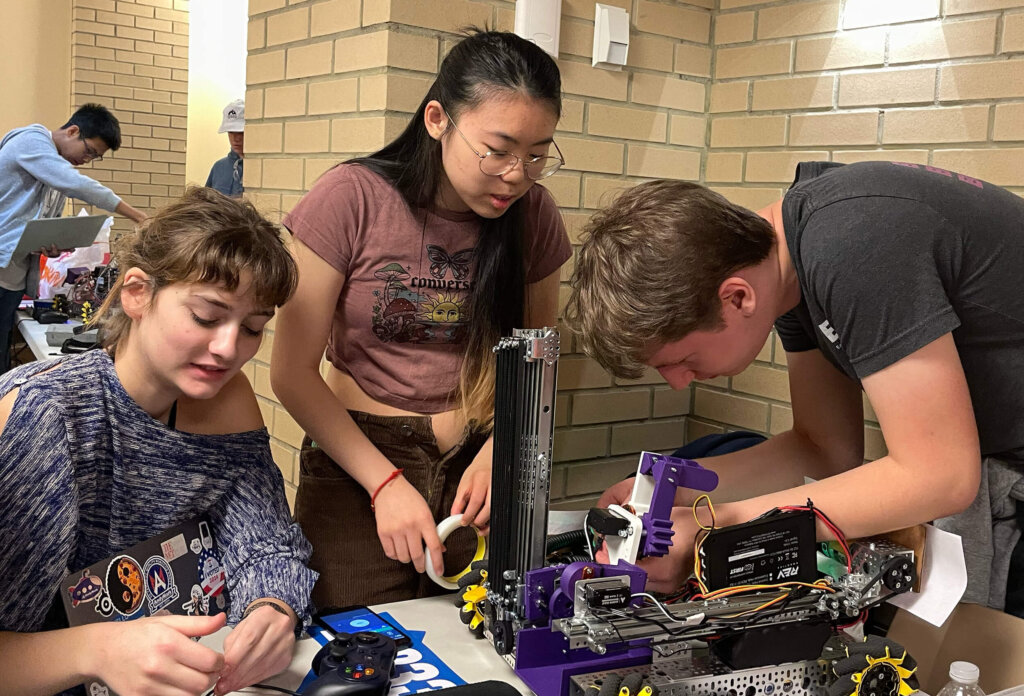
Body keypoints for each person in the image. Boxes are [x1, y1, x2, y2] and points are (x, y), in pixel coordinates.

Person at [565, 161, 1024, 602]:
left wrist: (716, 528)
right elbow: (822, 450)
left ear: (737, 297)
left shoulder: (854, 243)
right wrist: (682, 492)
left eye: (681, 359)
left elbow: (938, 476)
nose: (678, 384)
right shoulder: (792, 271)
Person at [0, 187, 317, 696]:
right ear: (137, 293)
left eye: (253, 329)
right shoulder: (44, 416)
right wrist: (94, 651)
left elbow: (268, 544)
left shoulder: (223, 400)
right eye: (206, 316)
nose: (229, 350)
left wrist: (273, 608)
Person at [271, 29, 571, 609]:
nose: (517, 174)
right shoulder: (350, 197)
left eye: (537, 156)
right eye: (499, 149)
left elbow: (539, 354)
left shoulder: (534, 215)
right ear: (438, 119)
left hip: (480, 466)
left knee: (481, 656)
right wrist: (384, 482)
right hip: (359, 465)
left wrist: (506, 445)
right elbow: (291, 373)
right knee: (354, 654)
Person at [0, 103, 147, 374]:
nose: (86, 160)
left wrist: (49, 244)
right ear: (72, 131)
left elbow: (31, 226)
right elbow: (76, 184)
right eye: (89, 150)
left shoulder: (54, 172)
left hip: (12, 277)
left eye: (94, 157)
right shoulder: (31, 141)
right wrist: (137, 215)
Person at [205, 99, 244, 197]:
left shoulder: (259, 167)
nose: (236, 139)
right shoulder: (219, 167)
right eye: (230, 132)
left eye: (240, 133)